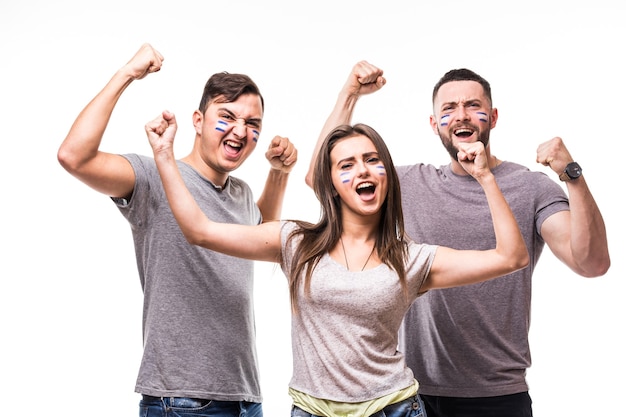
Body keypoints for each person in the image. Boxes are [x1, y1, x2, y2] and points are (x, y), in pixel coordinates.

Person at [144, 108, 530, 417]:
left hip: (393, 409)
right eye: (346, 165)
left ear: (387, 176)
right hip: (312, 410)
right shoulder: (295, 242)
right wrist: (163, 156)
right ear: (330, 184)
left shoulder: (413, 260)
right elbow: (199, 230)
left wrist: (484, 177)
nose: (362, 169)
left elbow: (511, 257)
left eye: (372, 160)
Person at [305, 61, 611, 417]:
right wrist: (349, 95)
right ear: (435, 125)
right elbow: (320, 178)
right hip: (408, 396)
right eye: (449, 109)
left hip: (497, 395)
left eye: (473, 106)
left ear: (493, 117)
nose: (462, 116)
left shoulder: (530, 188)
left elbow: (591, 262)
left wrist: (570, 175)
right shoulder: (412, 184)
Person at [57, 43, 297, 417]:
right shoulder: (155, 176)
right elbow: (74, 156)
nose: (240, 130)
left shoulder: (241, 193)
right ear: (198, 121)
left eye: (253, 124)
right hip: (183, 401)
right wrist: (127, 74)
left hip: (246, 397)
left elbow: (262, 238)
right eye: (227, 117)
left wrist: (279, 174)